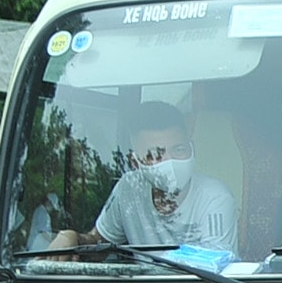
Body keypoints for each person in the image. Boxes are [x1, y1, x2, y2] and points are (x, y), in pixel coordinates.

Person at [49, 101, 237, 253]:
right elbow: (100, 243)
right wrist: (73, 238)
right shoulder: (128, 189)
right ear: (134, 161)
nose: (170, 161)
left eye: (179, 150)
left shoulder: (215, 197)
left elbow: (215, 265)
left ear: (191, 148)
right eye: (155, 154)